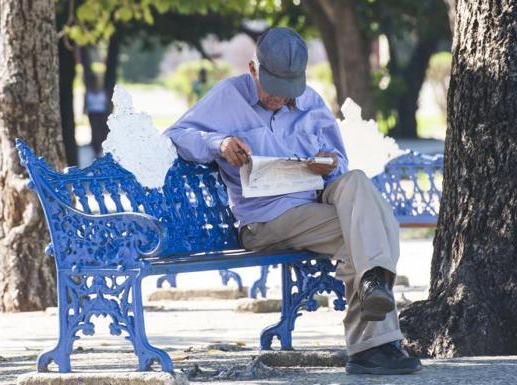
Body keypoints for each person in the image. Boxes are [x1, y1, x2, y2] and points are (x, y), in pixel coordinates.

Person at [164, 27, 422, 375]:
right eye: (273, 89)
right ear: (254, 69)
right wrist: (220, 143)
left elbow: (339, 165)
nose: (279, 99)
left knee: (356, 182)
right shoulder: (228, 96)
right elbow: (176, 135)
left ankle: (374, 304)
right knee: (369, 229)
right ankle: (374, 344)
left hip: (314, 197)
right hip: (266, 218)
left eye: (288, 91)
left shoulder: (312, 102)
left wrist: (328, 162)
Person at [84, 76, 109, 157]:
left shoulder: (103, 92)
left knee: (102, 131)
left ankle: (103, 148)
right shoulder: (88, 93)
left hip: (102, 114)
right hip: (92, 114)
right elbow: (85, 105)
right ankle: (96, 149)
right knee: (95, 132)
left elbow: (107, 104)